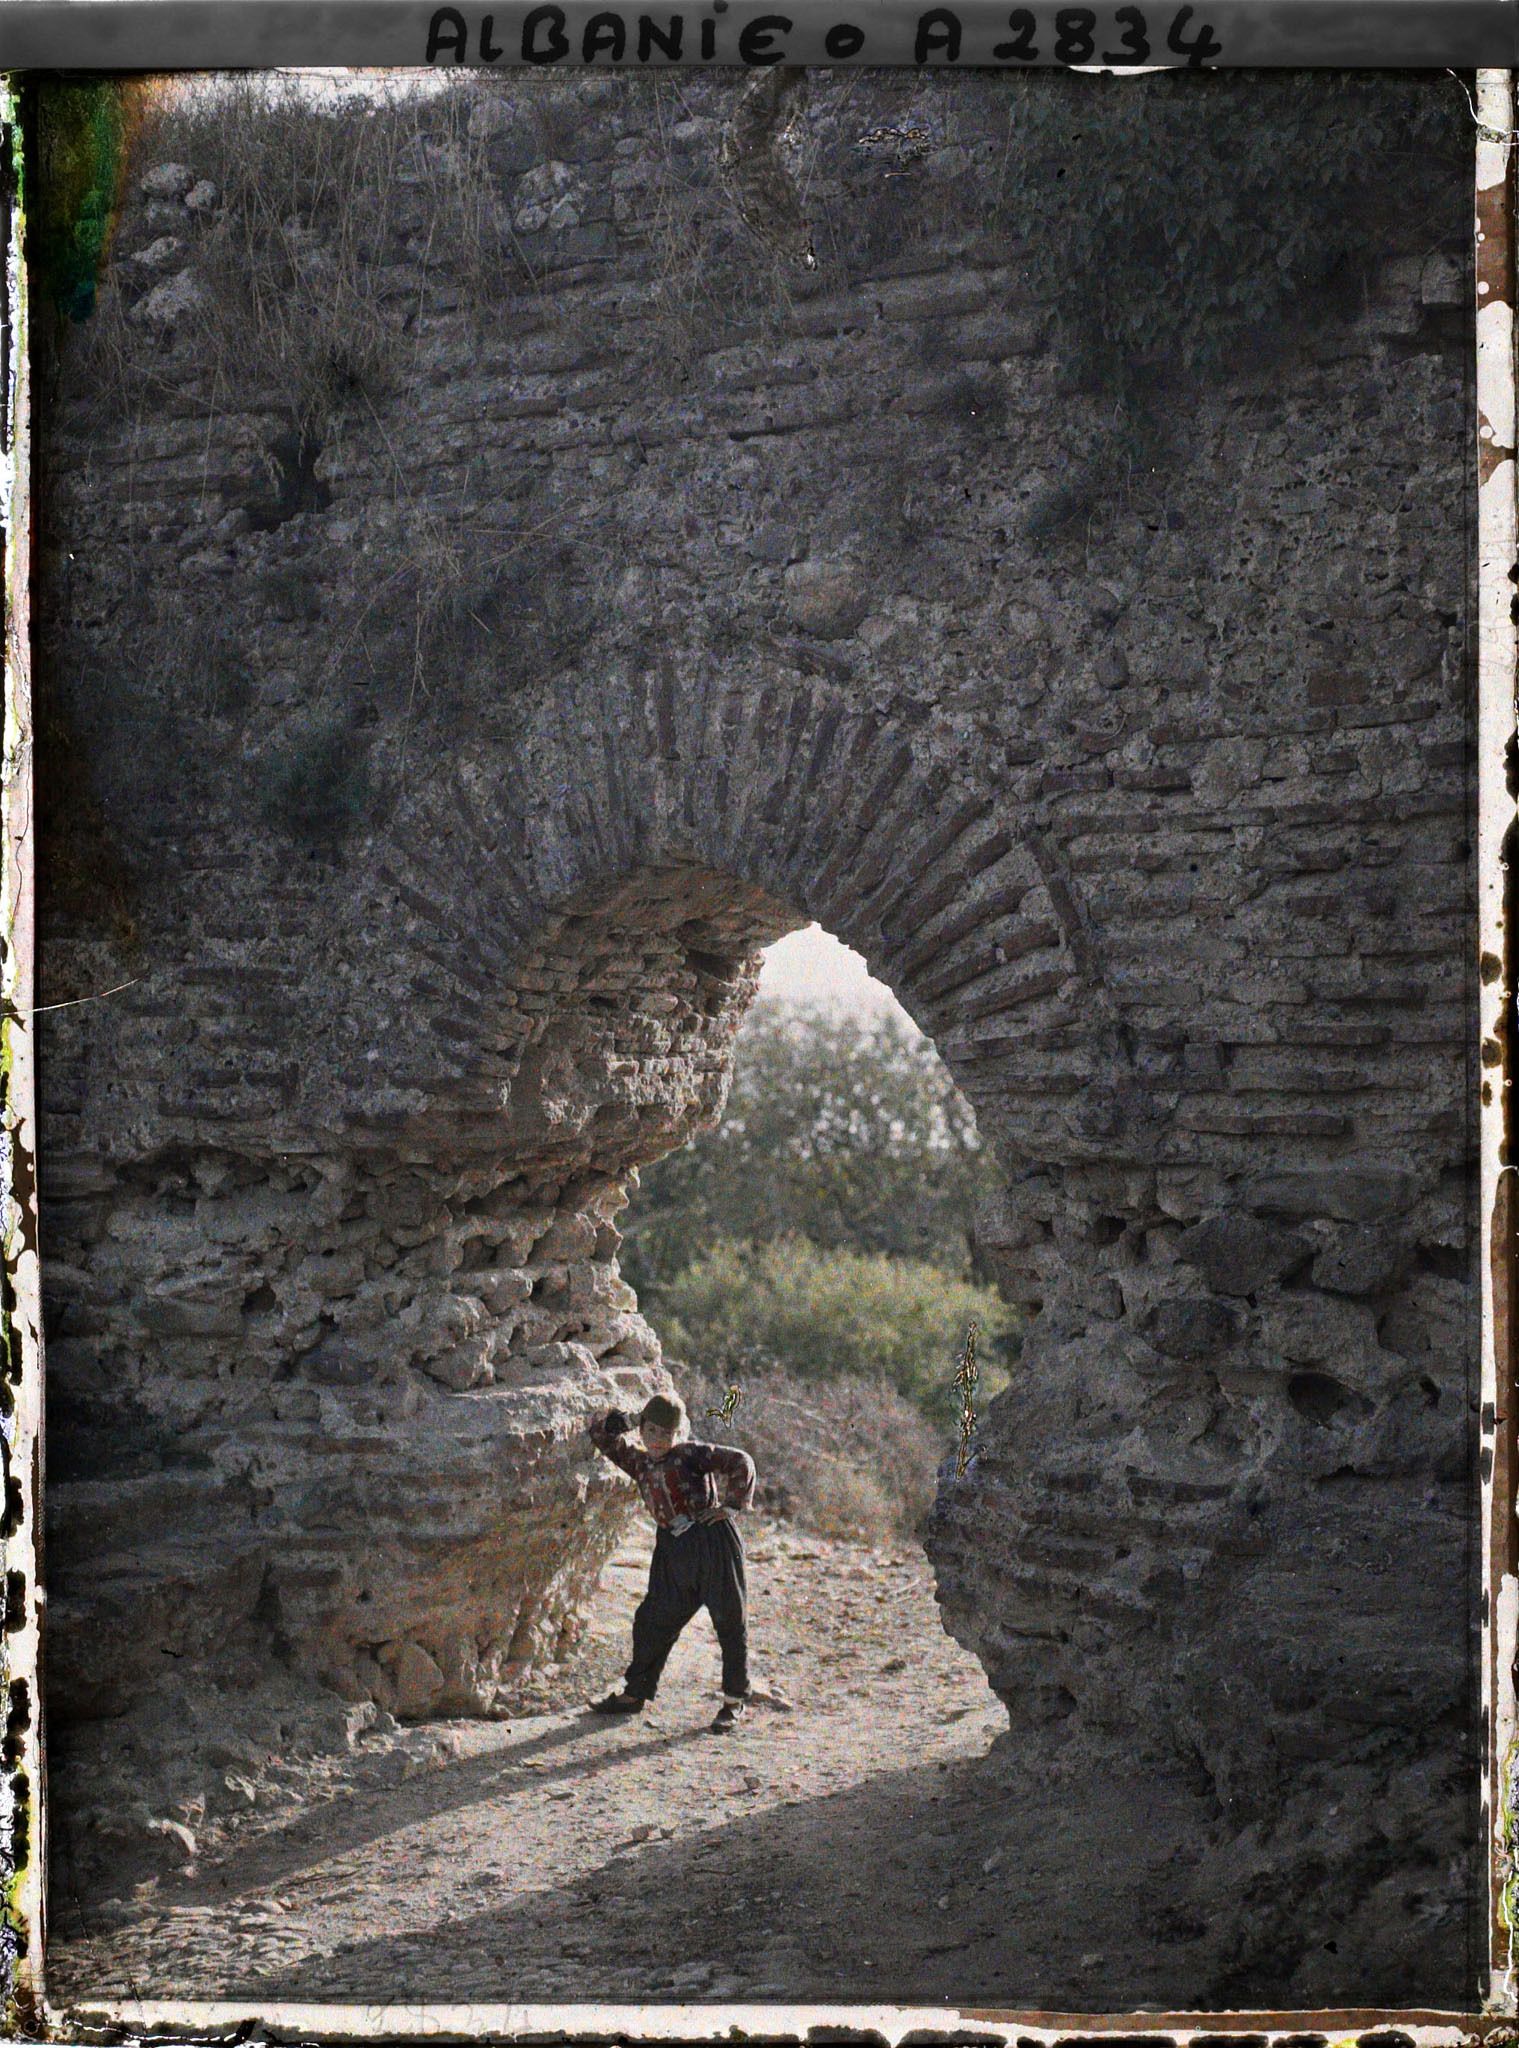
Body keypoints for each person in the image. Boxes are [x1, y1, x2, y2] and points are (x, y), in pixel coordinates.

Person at [586, 1392, 757, 1734]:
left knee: (729, 1619)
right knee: (652, 1619)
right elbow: (602, 1435)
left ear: (677, 1434)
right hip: (672, 1549)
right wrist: (635, 1418)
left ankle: (733, 1702)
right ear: (642, 1431)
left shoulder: (690, 1454)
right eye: (651, 1432)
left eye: (666, 1433)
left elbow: (741, 1461)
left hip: (712, 1542)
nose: (658, 1440)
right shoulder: (640, 1463)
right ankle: (635, 1694)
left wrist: (733, 1505)